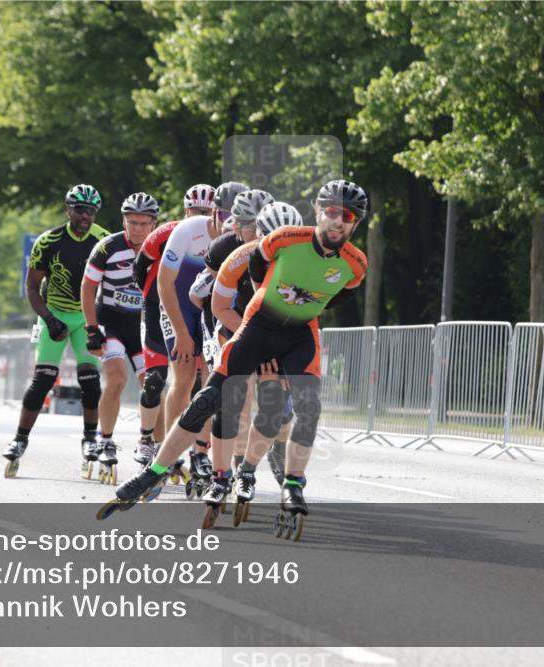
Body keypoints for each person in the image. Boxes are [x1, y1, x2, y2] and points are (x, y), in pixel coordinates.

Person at [104, 180, 369, 536]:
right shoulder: (282, 240)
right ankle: (155, 471)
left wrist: (298, 312)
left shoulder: (355, 263)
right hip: (256, 325)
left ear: (356, 223)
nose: (338, 221)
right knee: (209, 400)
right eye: (332, 212)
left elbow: (338, 297)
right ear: (319, 211)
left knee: (306, 407)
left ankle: (292, 484)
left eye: (347, 216)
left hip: (300, 335)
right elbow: (250, 279)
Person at [2, 184, 109, 477]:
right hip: (55, 312)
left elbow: (110, 286)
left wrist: (98, 322)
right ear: (68, 210)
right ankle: (19, 439)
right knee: (43, 379)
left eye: (91, 211)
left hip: (87, 315)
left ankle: (90, 439)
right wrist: (49, 319)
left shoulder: (104, 241)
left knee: (90, 381)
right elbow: (32, 289)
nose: (85, 215)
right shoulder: (48, 241)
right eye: (79, 209)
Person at [211, 202, 303, 512]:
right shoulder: (240, 256)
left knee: (278, 409)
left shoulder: (305, 261)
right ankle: (236, 469)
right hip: (236, 326)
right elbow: (211, 304)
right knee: (240, 394)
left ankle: (276, 447)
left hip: (278, 336)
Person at [156, 181, 248, 485]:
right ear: (213, 213)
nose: (229, 222)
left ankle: (199, 452)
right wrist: (181, 333)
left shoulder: (242, 239)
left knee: (212, 379)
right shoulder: (188, 230)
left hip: (210, 306)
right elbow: (164, 284)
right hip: (178, 304)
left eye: (237, 216)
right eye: (223, 214)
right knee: (183, 375)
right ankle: (169, 456)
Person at [131, 184, 215, 467]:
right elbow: (139, 267)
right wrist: (150, 299)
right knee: (168, 379)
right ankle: (159, 447)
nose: (200, 214)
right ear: (185, 210)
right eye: (195, 210)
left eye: (206, 211)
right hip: (162, 304)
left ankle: (200, 453)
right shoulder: (169, 232)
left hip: (203, 308)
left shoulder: (224, 233)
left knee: (205, 383)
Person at [81, 192, 159, 482]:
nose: (137, 229)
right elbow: (88, 288)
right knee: (116, 378)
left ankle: (153, 444)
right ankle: (106, 439)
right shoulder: (107, 247)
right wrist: (91, 330)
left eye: (143, 223)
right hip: (110, 320)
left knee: (153, 384)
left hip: (141, 324)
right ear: (123, 221)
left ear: (154, 224)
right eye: (131, 222)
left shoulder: (160, 248)